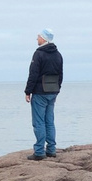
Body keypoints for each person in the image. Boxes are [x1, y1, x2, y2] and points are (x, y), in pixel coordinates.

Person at [25, 31, 62, 159]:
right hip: (53, 91)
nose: (37, 38)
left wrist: (27, 91)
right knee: (49, 121)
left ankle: (39, 151)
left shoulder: (39, 54)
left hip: (40, 92)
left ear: (44, 39)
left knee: (39, 122)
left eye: (39, 37)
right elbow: (60, 74)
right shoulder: (58, 55)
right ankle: (51, 149)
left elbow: (33, 74)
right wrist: (57, 90)